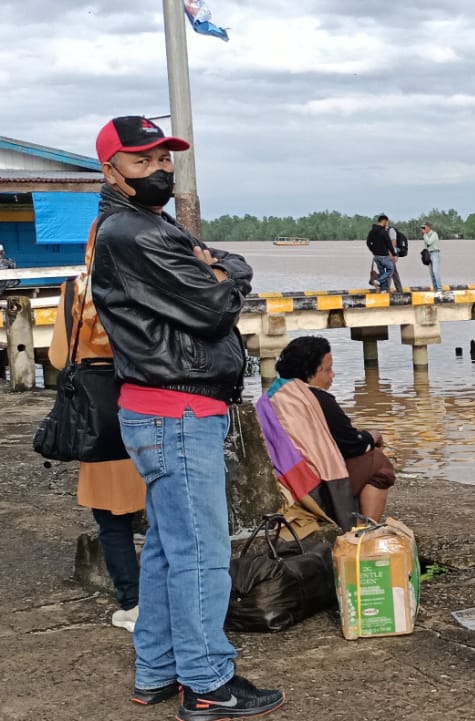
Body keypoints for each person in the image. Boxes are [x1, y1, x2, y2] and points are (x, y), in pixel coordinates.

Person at [89, 115, 284, 718]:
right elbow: (213, 305)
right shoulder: (135, 232)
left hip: (159, 408)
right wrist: (226, 274)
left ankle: (156, 670)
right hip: (175, 408)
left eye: (164, 158)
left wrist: (218, 265)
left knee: (170, 550)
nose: (159, 169)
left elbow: (219, 267)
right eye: (142, 161)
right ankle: (207, 682)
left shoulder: (147, 225)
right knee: (199, 551)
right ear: (110, 170)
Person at [49, 224, 145, 633]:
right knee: (167, 512)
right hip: (148, 402)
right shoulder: (146, 282)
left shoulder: (76, 289)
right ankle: (174, 597)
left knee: (111, 520)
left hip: (98, 414)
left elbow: (57, 357)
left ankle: (134, 603)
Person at [274, 336, 396, 522]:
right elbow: (352, 445)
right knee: (379, 462)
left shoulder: (272, 397)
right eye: (328, 370)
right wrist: (374, 435)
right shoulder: (317, 399)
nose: (333, 375)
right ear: (309, 373)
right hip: (309, 491)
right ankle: (364, 534)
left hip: (283, 484)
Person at [365, 214, 394, 292]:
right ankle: (379, 280)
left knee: (382, 272)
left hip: (376, 256)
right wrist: (394, 254)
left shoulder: (372, 231)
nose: (387, 224)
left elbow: (368, 243)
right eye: (387, 222)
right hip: (383, 256)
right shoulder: (383, 232)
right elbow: (389, 244)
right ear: (383, 221)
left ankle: (383, 290)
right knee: (391, 269)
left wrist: (373, 251)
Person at [388, 225, 409, 292]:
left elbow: (394, 244)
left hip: (390, 255)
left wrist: (394, 255)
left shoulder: (391, 231)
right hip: (388, 255)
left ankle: (387, 289)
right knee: (393, 272)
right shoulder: (387, 231)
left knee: (388, 272)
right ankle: (398, 289)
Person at [422, 221, 442, 289]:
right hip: (429, 254)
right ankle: (435, 288)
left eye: (424, 227)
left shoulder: (434, 234)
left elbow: (429, 242)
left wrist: (424, 234)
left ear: (428, 227)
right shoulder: (425, 235)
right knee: (431, 273)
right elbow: (426, 246)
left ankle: (439, 288)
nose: (423, 229)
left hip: (435, 253)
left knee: (435, 272)